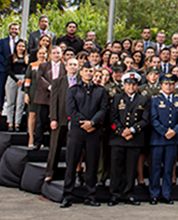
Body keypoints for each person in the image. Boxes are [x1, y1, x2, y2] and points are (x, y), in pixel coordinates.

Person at [60, 63, 107, 208]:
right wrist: (84, 123)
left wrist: (92, 122)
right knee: (72, 163)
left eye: (91, 71)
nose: (88, 73)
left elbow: (103, 109)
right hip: (77, 131)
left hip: (93, 131)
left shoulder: (100, 90)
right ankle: (67, 195)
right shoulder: (73, 90)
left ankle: (90, 195)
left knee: (92, 164)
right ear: (81, 73)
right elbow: (71, 110)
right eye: (86, 71)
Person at [108, 71, 149, 206]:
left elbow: (145, 119)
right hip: (118, 138)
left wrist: (131, 130)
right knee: (116, 168)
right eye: (128, 84)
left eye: (133, 84)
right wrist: (121, 131)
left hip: (134, 138)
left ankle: (129, 194)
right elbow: (112, 118)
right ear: (124, 85)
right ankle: (115, 194)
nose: (131, 87)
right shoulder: (116, 98)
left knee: (131, 169)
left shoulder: (143, 100)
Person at [149, 74, 178, 205]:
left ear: (175, 85)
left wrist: (174, 131)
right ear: (161, 85)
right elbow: (153, 119)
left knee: (169, 168)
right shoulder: (155, 100)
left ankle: (166, 194)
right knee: (155, 168)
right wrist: (165, 131)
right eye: (166, 84)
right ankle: (154, 194)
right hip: (158, 139)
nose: (169, 86)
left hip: (173, 139)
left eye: (171, 84)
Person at [45, 57, 79, 182]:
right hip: (60, 118)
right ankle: (50, 173)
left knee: (73, 150)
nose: (73, 67)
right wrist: (53, 118)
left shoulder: (82, 81)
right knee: (55, 147)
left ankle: (71, 175)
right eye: (70, 64)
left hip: (76, 120)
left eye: (75, 64)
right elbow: (53, 102)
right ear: (66, 67)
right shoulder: (58, 82)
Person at [33, 46, 63, 150]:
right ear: (50, 55)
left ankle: (53, 143)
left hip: (58, 98)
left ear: (61, 54)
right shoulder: (43, 65)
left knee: (55, 121)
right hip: (44, 96)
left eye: (58, 53)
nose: (56, 55)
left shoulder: (64, 67)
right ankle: (38, 142)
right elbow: (39, 78)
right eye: (54, 53)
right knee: (41, 120)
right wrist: (49, 86)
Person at [3, 35, 26, 131]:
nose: (21, 48)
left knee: (20, 103)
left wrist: (23, 80)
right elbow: (8, 69)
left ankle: (17, 123)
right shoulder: (11, 57)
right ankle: (10, 123)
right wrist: (17, 80)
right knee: (10, 102)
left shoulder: (26, 58)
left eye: (23, 46)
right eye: (19, 46)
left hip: (23, 80)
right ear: (16, 47)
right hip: (12, 79)